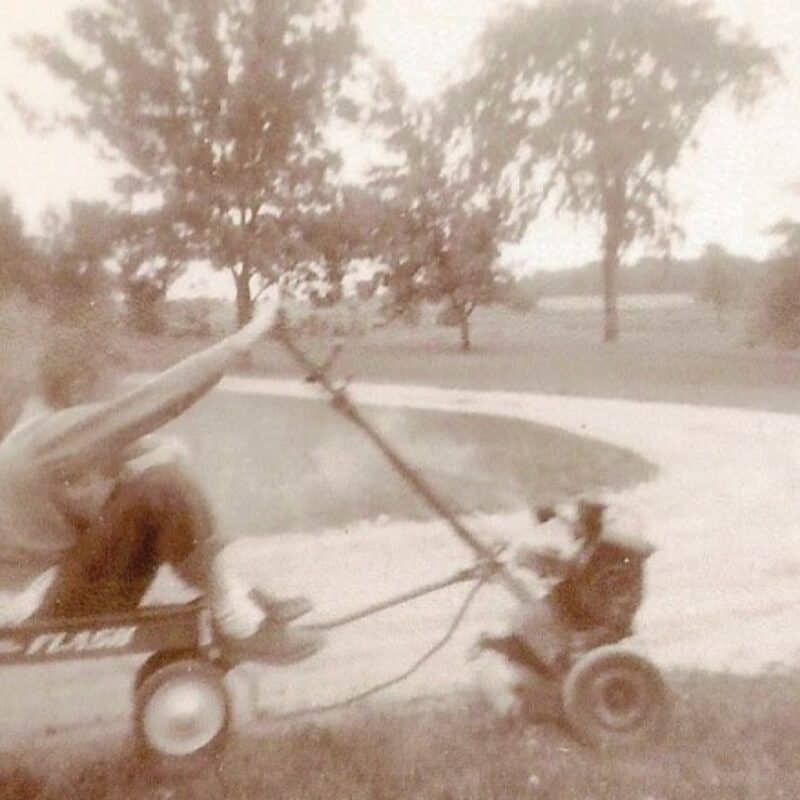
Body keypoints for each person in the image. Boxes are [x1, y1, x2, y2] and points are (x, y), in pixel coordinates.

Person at [0, 292, 322, 664]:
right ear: (76, 390)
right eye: (109, 393)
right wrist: (249, 334)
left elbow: (106, 493)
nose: (115, 402)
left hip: (44, 591)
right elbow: (164, 397)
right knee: (163, 486)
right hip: (39, 606)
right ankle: (237, 620)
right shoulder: (50, 436)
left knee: (152, 483)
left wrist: (155, 454)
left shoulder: (38, 432)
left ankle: (234, 596)